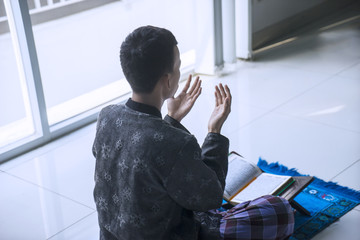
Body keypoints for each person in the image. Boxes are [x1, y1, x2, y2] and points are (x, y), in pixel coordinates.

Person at [93, 26, 294, 240]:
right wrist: (214, 132)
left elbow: (142, 160)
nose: (180, 73)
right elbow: (211, 197)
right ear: (167, 80)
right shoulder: (177, 143)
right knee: (279, 209)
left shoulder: (106, 116)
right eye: (178, 66)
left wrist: (172, 119)